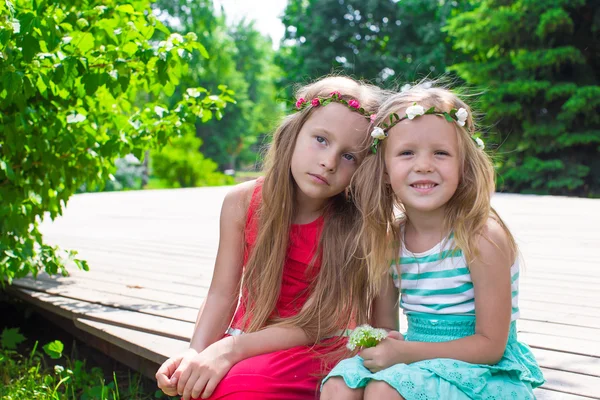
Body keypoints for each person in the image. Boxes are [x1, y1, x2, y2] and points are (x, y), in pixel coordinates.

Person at [156, 76, 386, 400]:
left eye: (350, 156)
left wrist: (230, 350)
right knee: (205, 384)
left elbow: (321, 320)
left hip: (316, 345)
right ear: (294, 133)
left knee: (242, 389)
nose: (329, 162)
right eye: (321, 139)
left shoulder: (356, 224)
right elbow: (222, 294)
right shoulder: (243, 202)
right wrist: (196, 350)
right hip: (247, 334)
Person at [321, 84, 545, 400]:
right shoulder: (389, 241)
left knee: (384, 391)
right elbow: (387, 330)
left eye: (440, 153)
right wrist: (377, 345)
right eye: (407, 153)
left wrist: (402, 354)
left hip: (480, 367)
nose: (424, 165)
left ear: (463, 165)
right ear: (385, 170)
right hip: (417, 355)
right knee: (339, 386)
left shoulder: (481, 238)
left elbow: (491, 346)